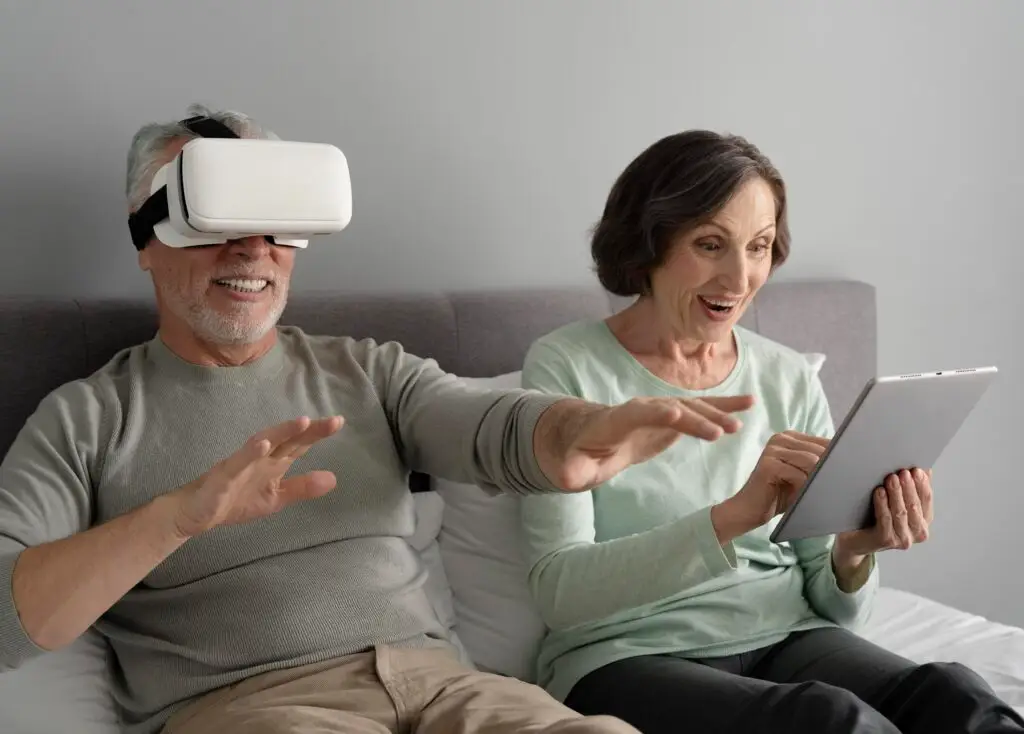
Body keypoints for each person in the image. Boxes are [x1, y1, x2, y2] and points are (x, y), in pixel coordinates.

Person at [0, 107, 756, 734]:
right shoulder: (88, 421)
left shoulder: (366, 371)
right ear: (147, 232)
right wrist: (174, 519)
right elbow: (6, 617)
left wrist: (575, 432)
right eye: (218, 218)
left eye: (273, 220)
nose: (253, 249)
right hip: (256, 710)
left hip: (445, 691)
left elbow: (481, 420)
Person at [517, 129, 1024, 734]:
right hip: (625, 654)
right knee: (828, 721)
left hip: (786, 633)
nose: (740, 278)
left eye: (758, 247)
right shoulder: (565, 367)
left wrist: (855, 549)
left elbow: (835, 608)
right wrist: (733, 516)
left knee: (955, 695)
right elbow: (559, 592)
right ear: (647, 244)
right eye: (710, 244)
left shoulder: (786, 374)